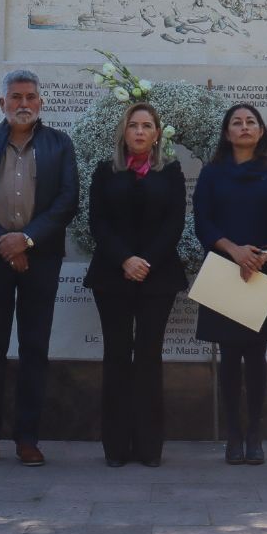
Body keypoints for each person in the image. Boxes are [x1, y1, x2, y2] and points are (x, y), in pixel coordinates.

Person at [0, 70, 79, 467]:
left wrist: (25, 240)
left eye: (30, 97)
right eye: (15, 97)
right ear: (2, 103)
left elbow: (68, 200)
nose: (23, 104)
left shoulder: (59, 144)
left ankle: (28, 438)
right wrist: (3, 242)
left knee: (34, 348)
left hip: (40, 259)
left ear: (40, 103)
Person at [85, 102, 186, 467]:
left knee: (148, 357)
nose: (140, 131)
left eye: (146, 126)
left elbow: (174, 222)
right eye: (133, 125)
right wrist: (125, 259)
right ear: (123, 132)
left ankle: (148, 447)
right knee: (116, 356)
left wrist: (146, 262)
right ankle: (115, 447)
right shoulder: (104, 171)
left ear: (157, 134)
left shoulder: (171, 172)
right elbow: (98, 222)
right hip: (112, 276)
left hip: (157, 278)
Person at [195, 103, 267, 466]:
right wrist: (235, 251)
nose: (244, 127)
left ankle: (255, 433)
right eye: (236, 122)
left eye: (251, 121)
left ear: (262, 130)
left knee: (256, 356)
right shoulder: (212, 173)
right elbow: (203, 222)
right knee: (229, 356)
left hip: (262, 272)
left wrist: (261, 256)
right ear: (227, 133)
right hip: (225, 270)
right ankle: (233, 435)